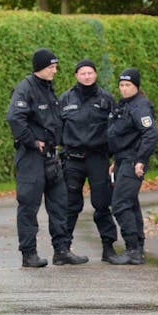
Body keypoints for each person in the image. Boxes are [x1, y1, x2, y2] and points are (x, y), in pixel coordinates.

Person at [6, 49, 88, 267]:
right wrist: (32, 141)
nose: (55, 70)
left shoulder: (48, 88)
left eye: (55, 66)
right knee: (28, 206)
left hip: (52, 157)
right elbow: (14, 118)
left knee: (60, 204)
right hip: (31, 157)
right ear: (40, 67)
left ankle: (62, 250)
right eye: (51, 67)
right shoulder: (26, 88)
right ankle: (29, 254)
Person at [59, 59, 119, 262]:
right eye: (82, 73)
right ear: (76, 75)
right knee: (70, 205)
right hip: (73, 159)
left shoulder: (106, 99)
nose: (87, 76)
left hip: (98, 159)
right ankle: (63, 249)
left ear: (95, 75)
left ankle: (108, 248)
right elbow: (57, 128)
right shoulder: (65, 99)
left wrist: (114, 156)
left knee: (102, 204)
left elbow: (116, 130)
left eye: (90, 73)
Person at [106, 68, 158, 265]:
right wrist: (116, 160)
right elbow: (126, 136)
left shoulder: (140, 107)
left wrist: (140, 160)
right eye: (121, 85)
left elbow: (151, 134)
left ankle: (132, 249)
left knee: (120, 205)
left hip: (132, 162)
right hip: (123, 160)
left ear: (136, 86)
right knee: (130, 204)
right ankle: (137, 248)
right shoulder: (126, 105)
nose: (124, 89)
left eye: (128, 85)